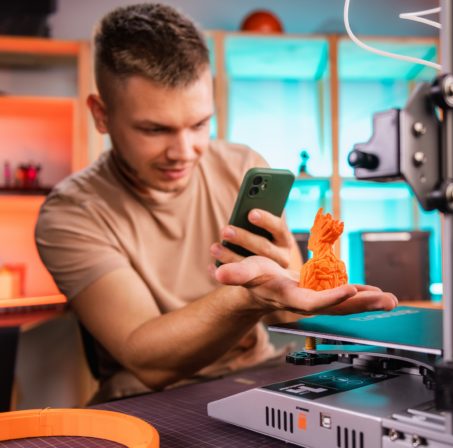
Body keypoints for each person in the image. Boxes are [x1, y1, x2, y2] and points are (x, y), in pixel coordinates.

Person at [35, 3, 397, 404]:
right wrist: (249, 296)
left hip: (263, 374)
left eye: (199, 124)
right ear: (101, 115)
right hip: (148, 399)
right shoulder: (71, 212)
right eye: (155, 129)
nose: (184, 152)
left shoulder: (242, 167)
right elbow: (148, 361)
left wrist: (295, 282)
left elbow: (290, 314)